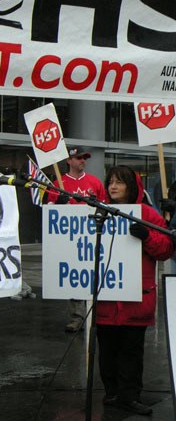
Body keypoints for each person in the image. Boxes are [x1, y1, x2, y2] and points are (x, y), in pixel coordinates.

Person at [97, 165, 173, 416]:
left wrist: (147, 237)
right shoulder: (100, 212)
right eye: (110, 182)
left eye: (119, 182)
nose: (113, 187)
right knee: (107, 350)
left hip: (136, 297)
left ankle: (130, 396)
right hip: (106, 298)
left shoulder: (148, 215)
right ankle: (112, 392)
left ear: (132, 186)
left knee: (131, 351)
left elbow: (165, 250)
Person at [47, 146, 108, 333]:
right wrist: (58, 204)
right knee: (75, 276)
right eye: (79, 158)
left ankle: (96, 314)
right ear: (69, 160)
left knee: (94, 274)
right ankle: (77, 317)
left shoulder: (94, 182)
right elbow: (50, 213)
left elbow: (105, 205)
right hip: (70, 237)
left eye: (84, 158)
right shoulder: (59, 182)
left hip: (92, 234)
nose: (83, 161)